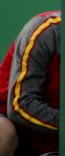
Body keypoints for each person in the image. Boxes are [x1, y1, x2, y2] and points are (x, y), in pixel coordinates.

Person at [0, 11, 61, 156]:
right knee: (2, 133)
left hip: (57, 135)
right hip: (10, 120)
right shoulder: (46, 30)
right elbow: (20, 105)